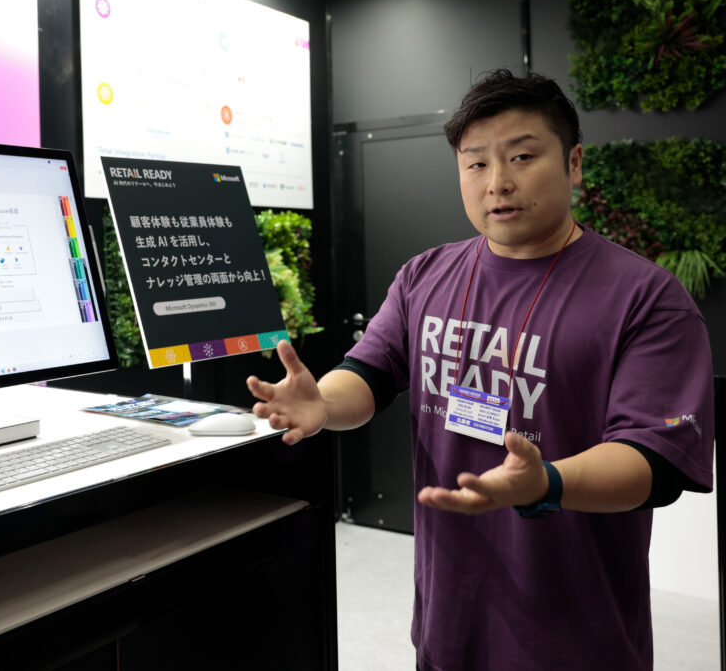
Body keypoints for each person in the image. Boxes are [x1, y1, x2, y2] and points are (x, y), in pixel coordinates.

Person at [246, 69, 714, 670]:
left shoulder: (646, 298)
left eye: (522, 157)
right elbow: (369, 372)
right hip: (447, 624)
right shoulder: (424, 276)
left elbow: (655, 462)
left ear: (573, 162)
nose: (498, 183)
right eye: (476, 164)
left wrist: (546, 482)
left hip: (576, 638)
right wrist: (323, 403)